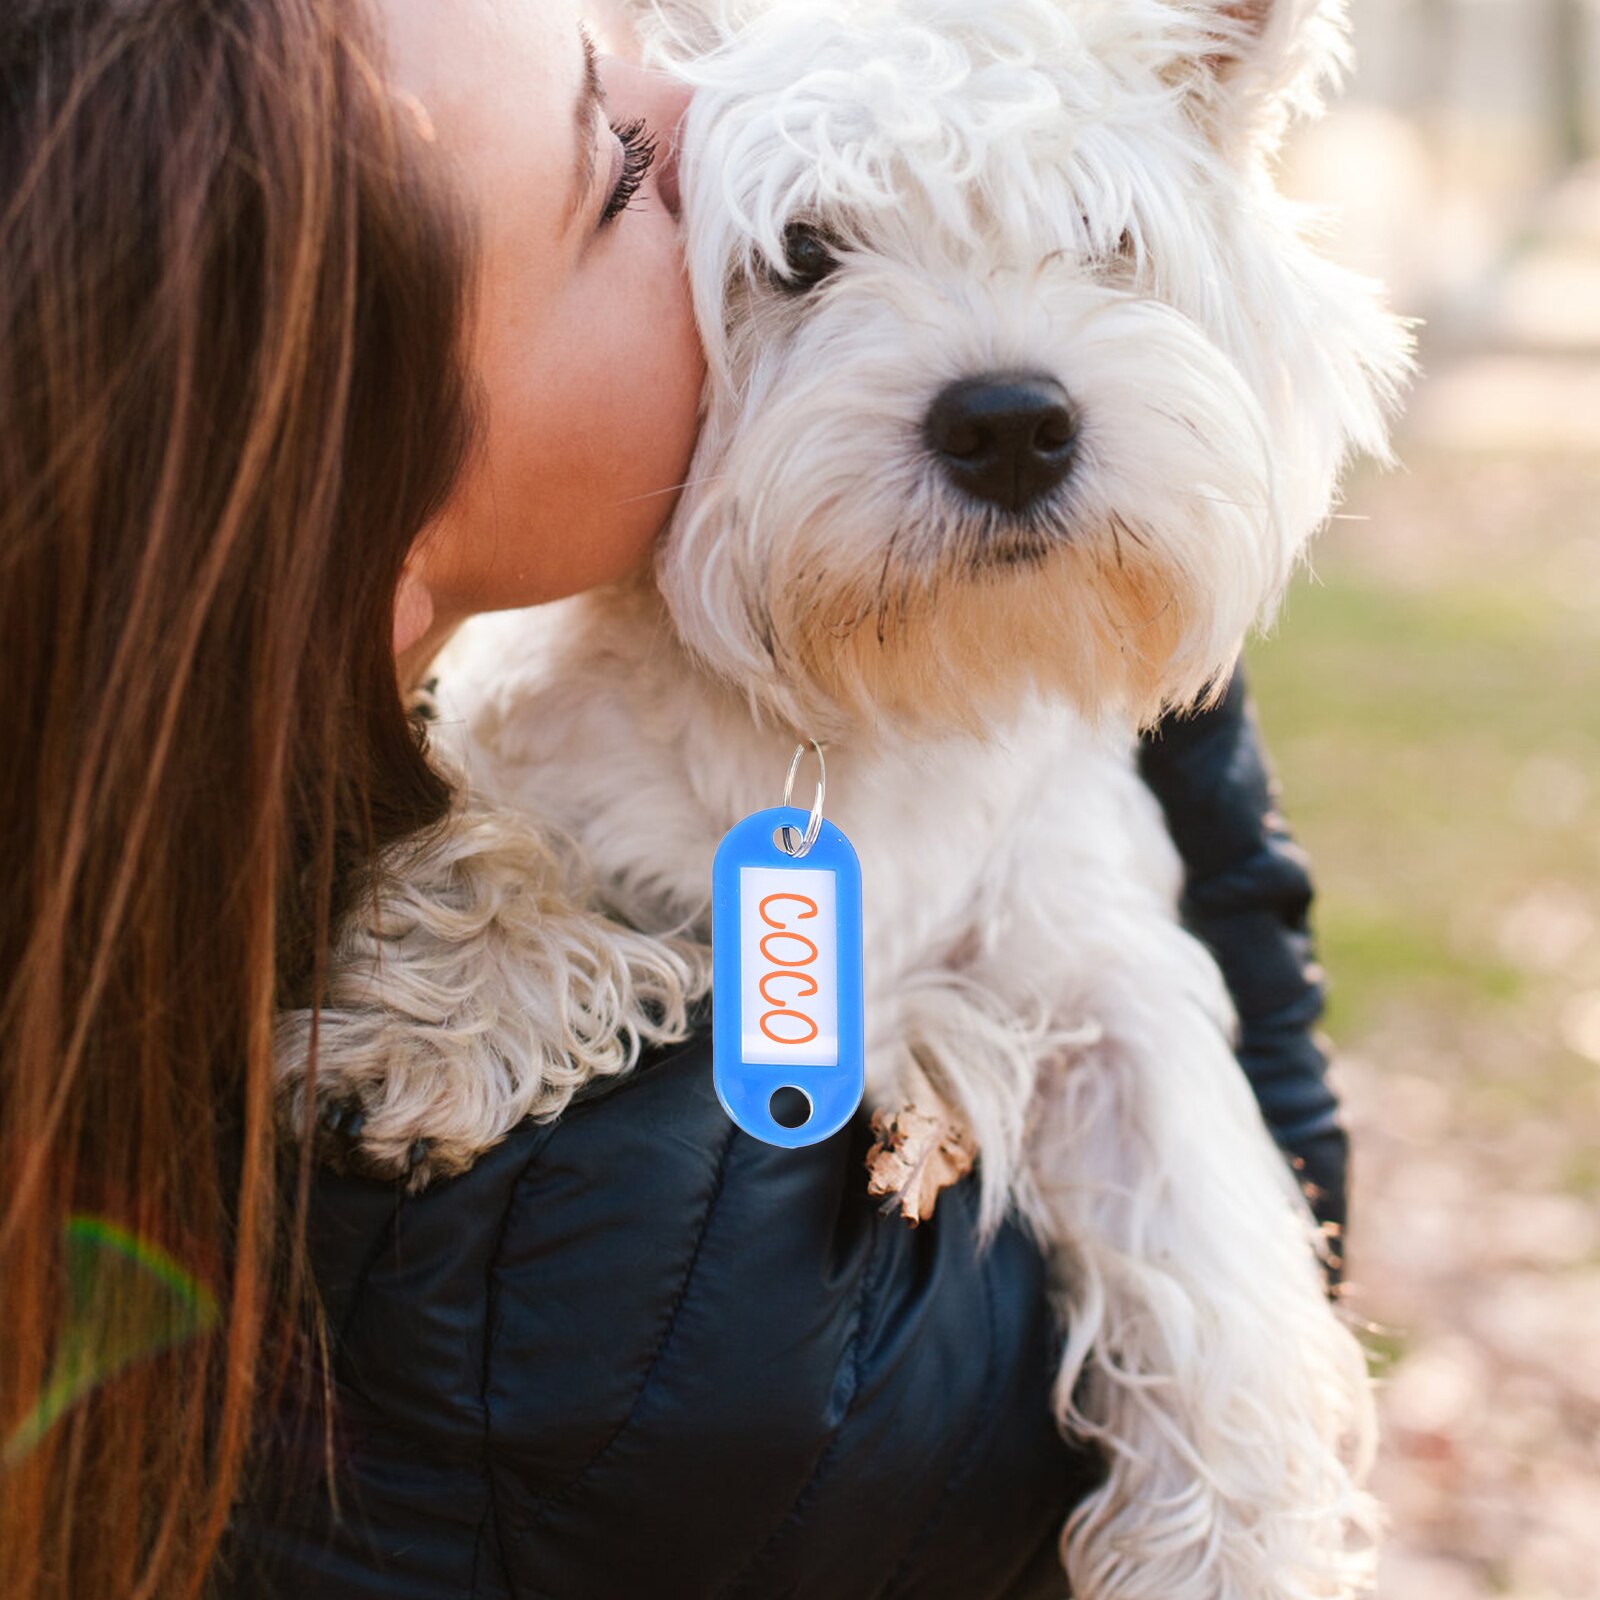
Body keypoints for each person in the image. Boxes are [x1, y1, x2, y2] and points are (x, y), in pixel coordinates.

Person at [0, 2, 1347, 1598]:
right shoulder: (572, 1277)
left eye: (1093, 247)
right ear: (370, 502)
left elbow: (1190, 1079)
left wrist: (1148, 649)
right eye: (804, 258)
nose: (687, 113)